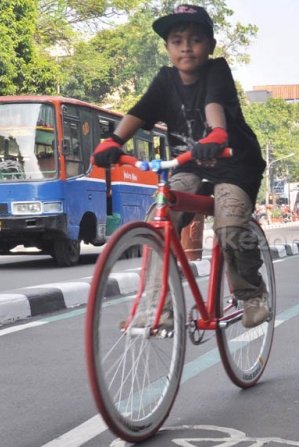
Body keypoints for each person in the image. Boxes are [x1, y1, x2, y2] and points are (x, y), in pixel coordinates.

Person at [90, 4, 269, 327]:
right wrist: (113, 141)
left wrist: (217, 133)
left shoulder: (218, 71)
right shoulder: (165, 80)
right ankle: (159, 307)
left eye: (196, 39)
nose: (186, 47)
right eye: (177, 40)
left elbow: (214, 103)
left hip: (235, 165)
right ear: (167, 48)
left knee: (229, 228)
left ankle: (252, 294)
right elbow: (139, 111)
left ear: (210, 45)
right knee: (157, 221)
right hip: (190, 167)